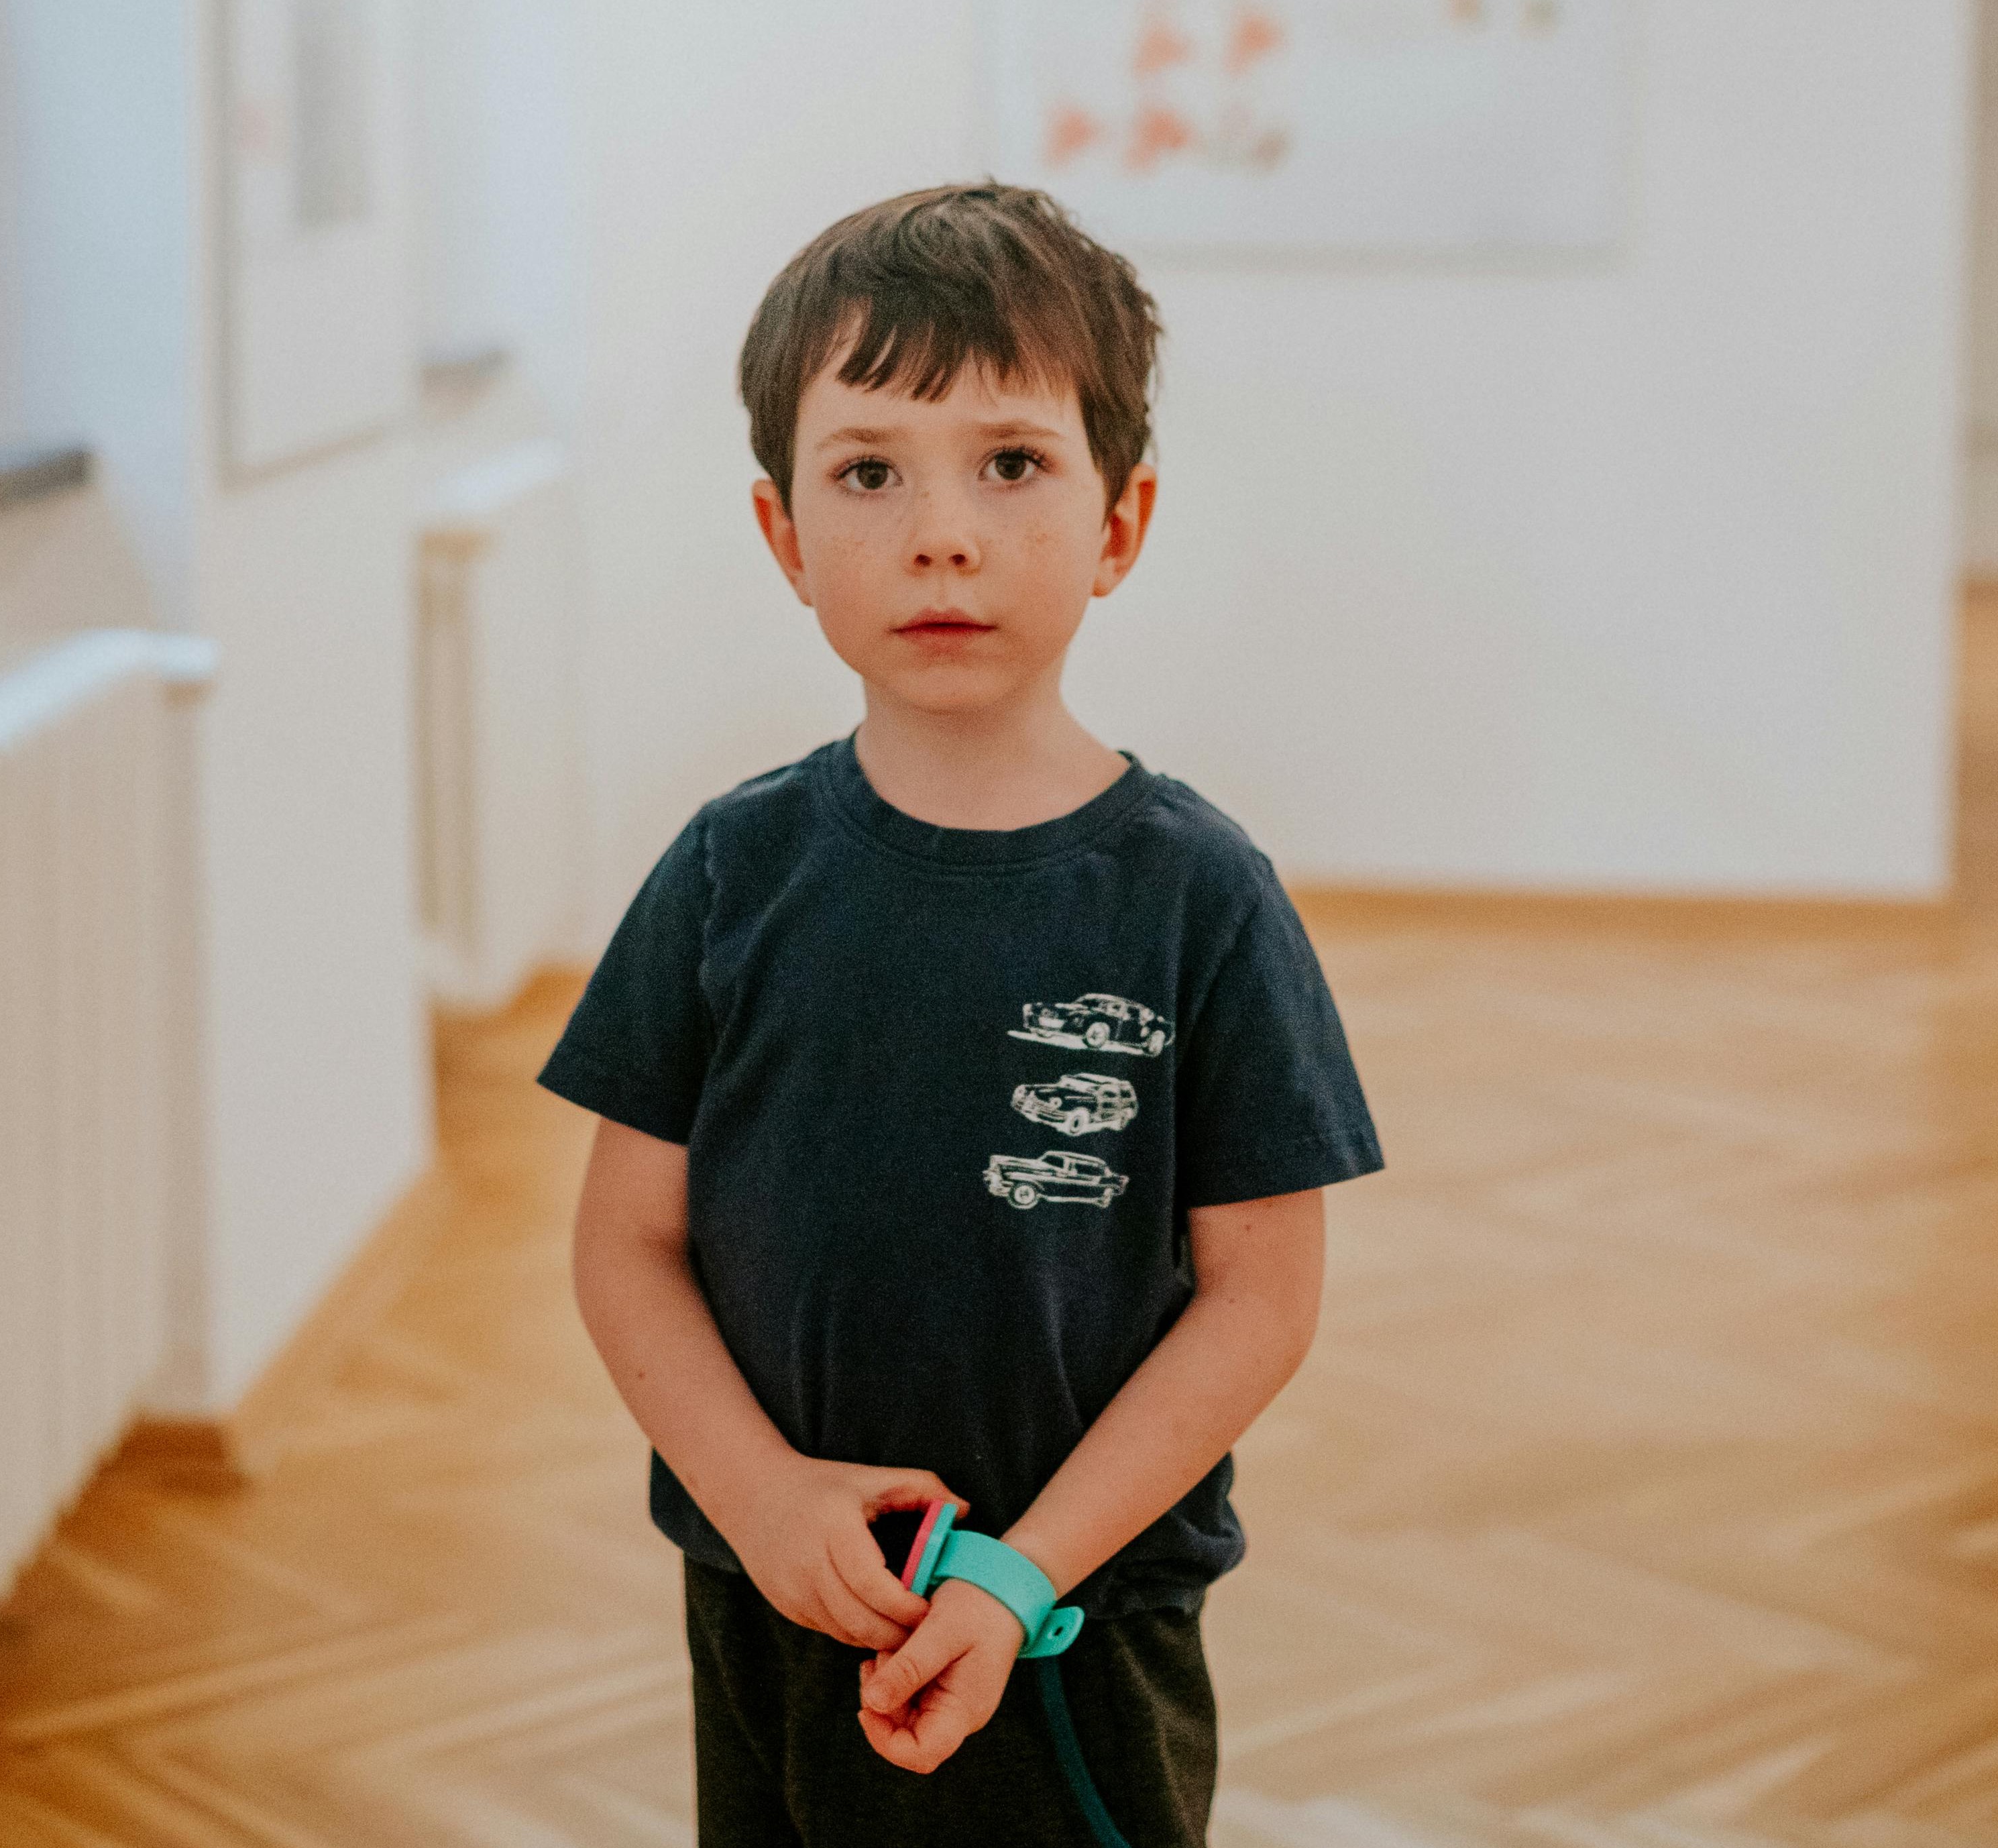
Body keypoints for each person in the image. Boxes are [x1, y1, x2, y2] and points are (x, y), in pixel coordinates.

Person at [545, 183, 1382, 1846]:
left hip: (1072, 1625)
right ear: (786, 537)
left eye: (1011, 463)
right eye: (869, 472)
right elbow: (624, 1244)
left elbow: (1261, 1301)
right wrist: (761, 1500)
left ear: (1119, 522)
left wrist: (1019, 1571)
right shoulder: (729, 874)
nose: (942, 532)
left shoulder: (1198, 900)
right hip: (778, 1602)